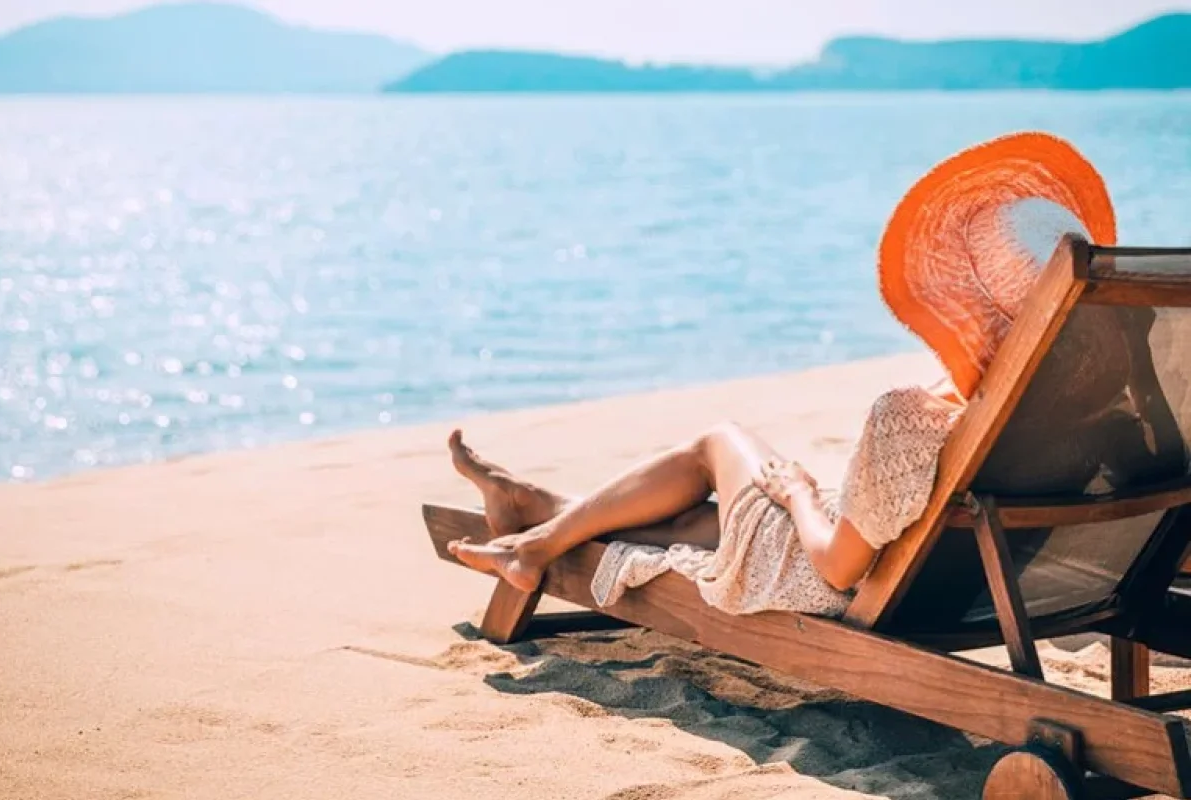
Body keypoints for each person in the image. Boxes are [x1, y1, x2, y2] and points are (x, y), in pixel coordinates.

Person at [444, 131, 1118, 618]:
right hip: (971, 585)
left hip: (831, 577)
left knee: (718, 442)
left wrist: (797, 493)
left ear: (965, 292)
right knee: (698, 526)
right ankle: (536, 508)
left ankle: (534, 545)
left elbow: (837, 569)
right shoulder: (1089, 410)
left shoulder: (910, 420)